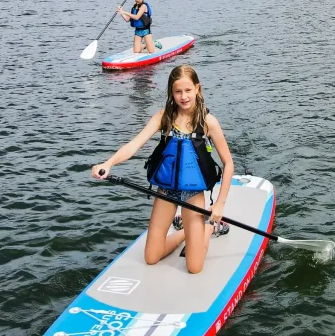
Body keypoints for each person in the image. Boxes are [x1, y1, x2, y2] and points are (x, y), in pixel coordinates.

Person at [91, 65, 234, 274]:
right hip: (166, 192)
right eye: (178, 92)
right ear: (171, 93)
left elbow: (228, 163)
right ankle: (185, 231)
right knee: (151, 257)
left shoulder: (208, 122)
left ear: (197, 89)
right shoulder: (163, 117)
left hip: (193, 195)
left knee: (194, 268)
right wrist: (108, 163)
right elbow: (134, 145)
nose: (183, 97)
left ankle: (209, 226)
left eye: (188, 90)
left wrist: (219, 205)